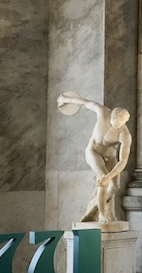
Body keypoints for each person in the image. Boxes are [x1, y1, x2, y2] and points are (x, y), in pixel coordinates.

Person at [56, 93, 132, 223]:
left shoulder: (124, 134)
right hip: (93, 152)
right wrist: (66, 99)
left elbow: (122, 161)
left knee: (114, 186)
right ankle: (102, 214)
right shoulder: (103, 112)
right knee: (103, 179)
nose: (117, 126)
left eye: (120, 124)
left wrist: (110, 176)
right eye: (115, 122)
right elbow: (86, 102)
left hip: (111, 156)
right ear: (111, 116)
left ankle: (95, 209)